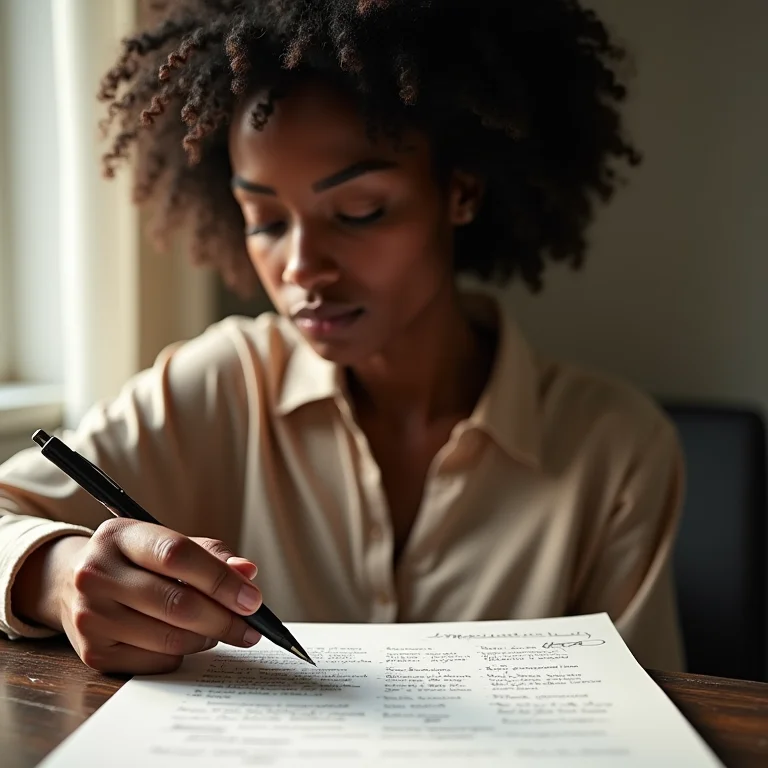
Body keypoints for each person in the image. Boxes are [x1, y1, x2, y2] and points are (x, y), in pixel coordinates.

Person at [0, 0, 684, 676]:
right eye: (265, 220)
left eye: (360, 210)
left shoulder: (613, 450)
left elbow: (647, 714)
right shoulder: (222, 384)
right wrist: (57, 576)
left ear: (462, 192)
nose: (301, 268)